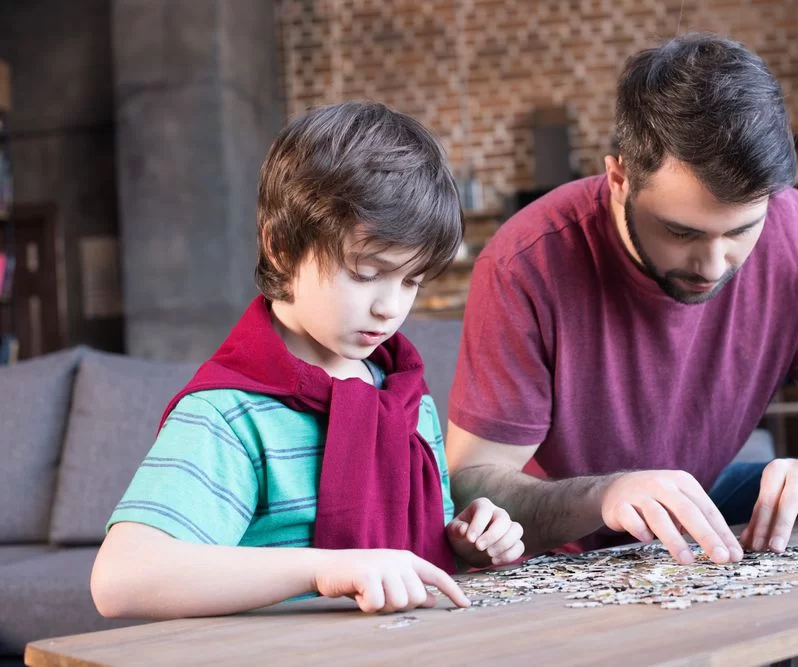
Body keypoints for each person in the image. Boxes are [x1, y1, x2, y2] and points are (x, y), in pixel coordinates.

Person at [446, 34, 798, 665]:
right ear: (618, 177)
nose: (713, 263)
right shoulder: (526, 262)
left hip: (710, 493)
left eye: (741, 230)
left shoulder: (794, 229)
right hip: (572, 534)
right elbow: (470, 482)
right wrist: (607, 495)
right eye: (680, 232)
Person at [91, 102, 524, 619]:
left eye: (411, 281)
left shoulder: (404, 394)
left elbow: (414, 553)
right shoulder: (233, 413)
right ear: (280, 249)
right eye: (365, 273)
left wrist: (465, 538)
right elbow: (121, 579)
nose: (390, 307)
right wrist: (324, 569)